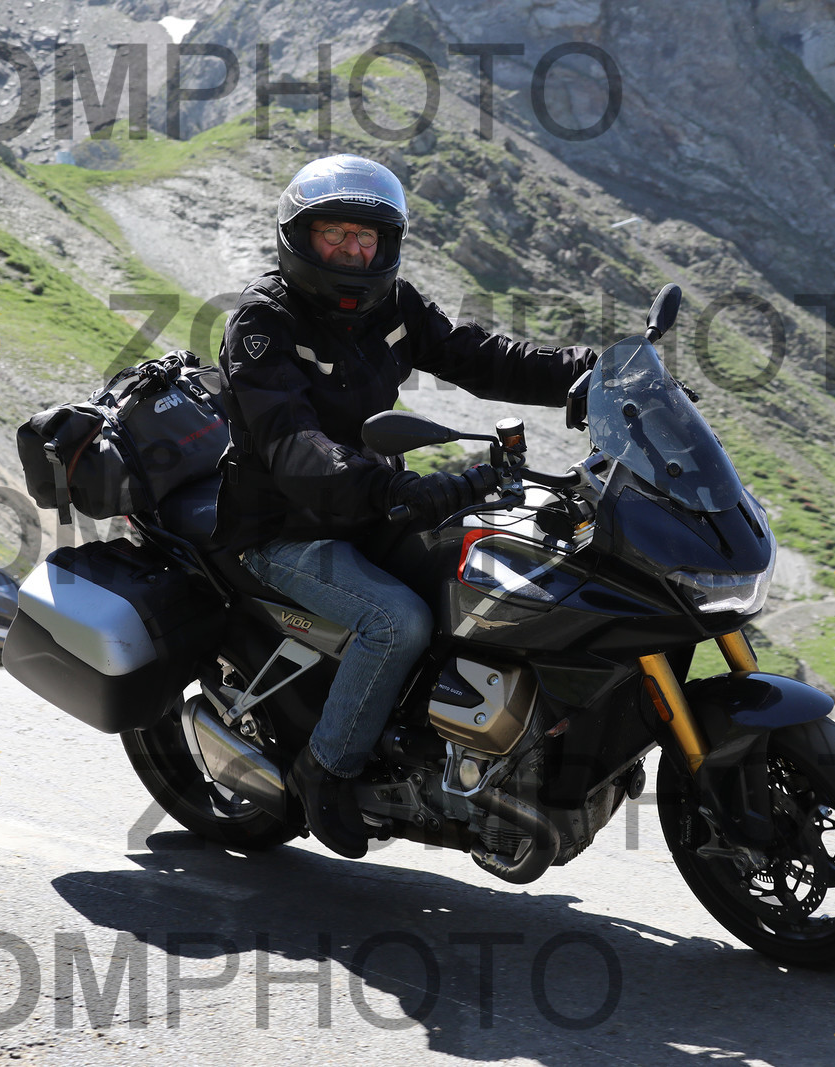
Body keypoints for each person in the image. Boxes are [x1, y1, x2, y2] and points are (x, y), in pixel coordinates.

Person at [214, 154, 595, 859]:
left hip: (368, 510)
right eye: (335, 234)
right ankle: (326, 768)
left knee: (495, 576)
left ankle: (471, 746)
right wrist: (400, 492)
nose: (353, 251)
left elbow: (480, 357)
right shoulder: (263, 323)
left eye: (367, 237)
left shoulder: (392, 307)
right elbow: (296, 448)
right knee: (398, 621)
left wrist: (590, 373)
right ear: (299, 237)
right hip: (282, 529)